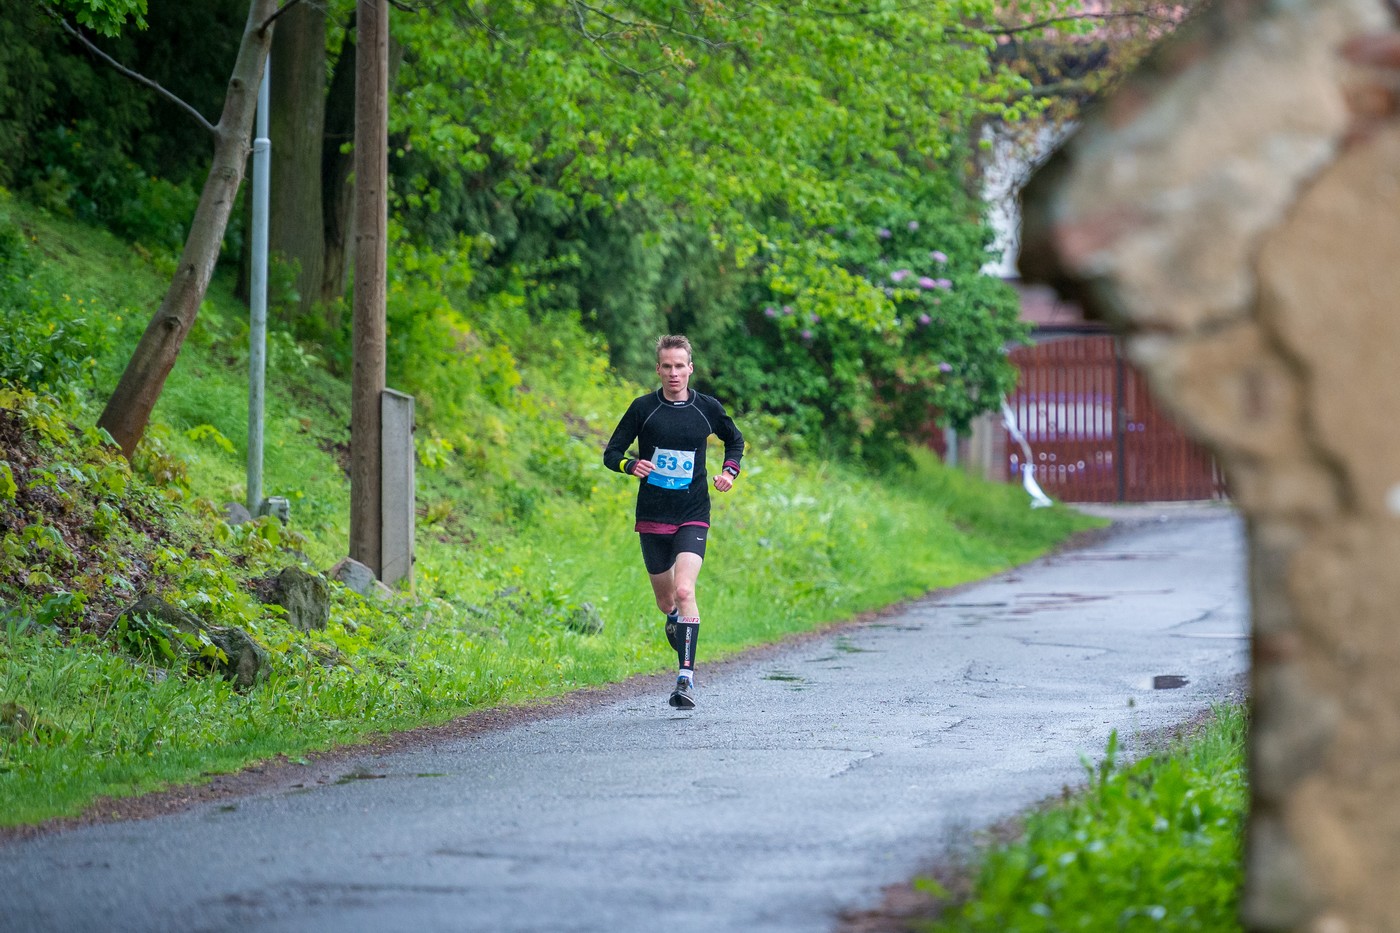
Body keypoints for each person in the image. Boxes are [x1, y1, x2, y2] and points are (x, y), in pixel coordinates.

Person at [603, 335, 745, 709]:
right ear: (658, 369)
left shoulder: (707, 408)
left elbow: (735, 441)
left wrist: (729, 471)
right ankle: (672, 619)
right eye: (666, 366)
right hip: (652, 516)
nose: (673, 373)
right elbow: (611, 453)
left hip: (693, 513)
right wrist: (631, 465)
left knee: (685, 592)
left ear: (690, 368)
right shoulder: (643, 409)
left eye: (680, 366)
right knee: (667, 600)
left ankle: (685, 679)